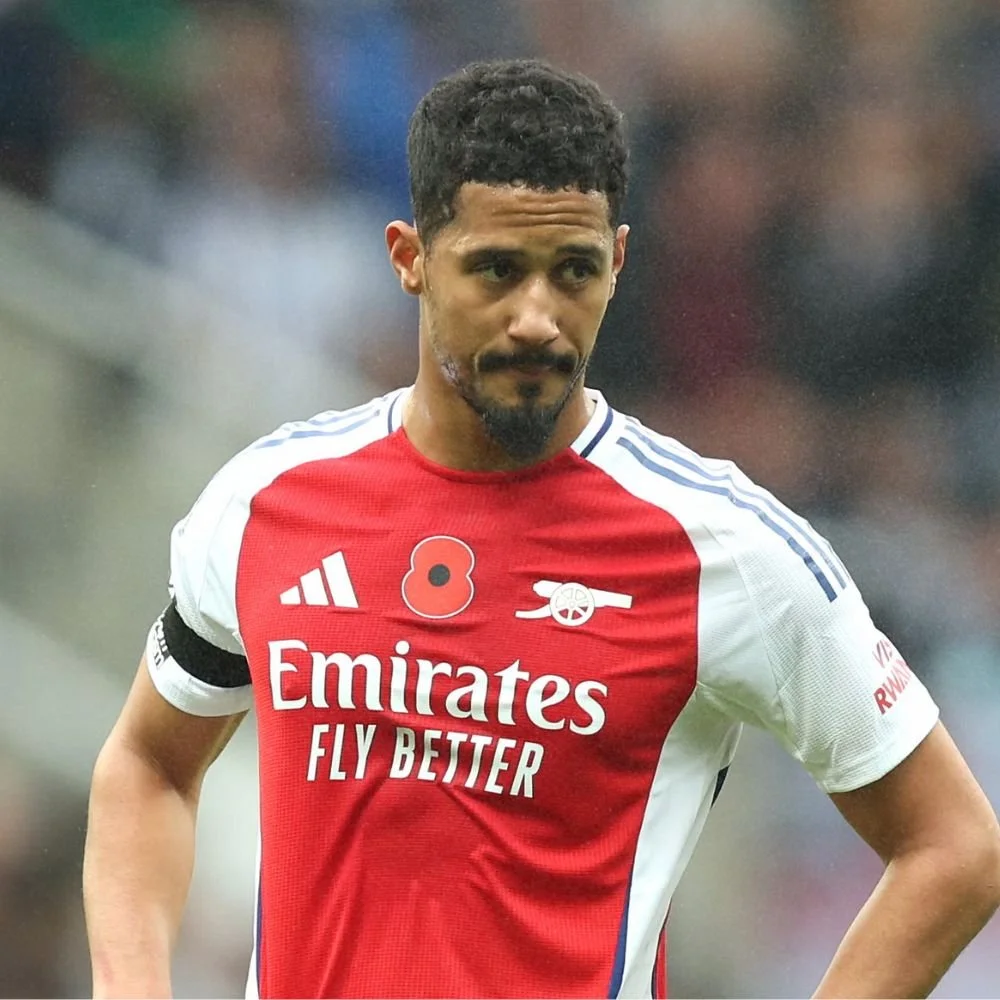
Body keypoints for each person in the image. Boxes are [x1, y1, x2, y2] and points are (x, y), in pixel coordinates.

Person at [83, 58, 1000, 1000]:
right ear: (408, 258)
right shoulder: (268, 501)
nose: (536, 318)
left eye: (574, 272)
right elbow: (150, 761)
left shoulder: (724, 550)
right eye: (496, 269)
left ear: (620, 263)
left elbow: (953, 846)